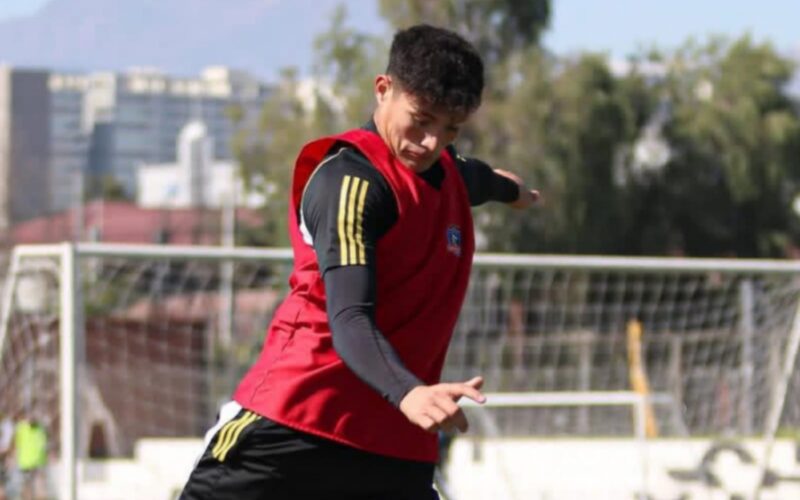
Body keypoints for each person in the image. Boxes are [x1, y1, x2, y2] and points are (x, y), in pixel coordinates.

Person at [180, 23, 539, 500]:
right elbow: (349, 317)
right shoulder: (351, 183)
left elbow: (476, 176)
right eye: (421, 118)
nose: (431, 142)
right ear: (383, 89)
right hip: (294, 426)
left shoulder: (446, 171)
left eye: (450, 128)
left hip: (393, 445)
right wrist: (410, 392)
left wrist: (513, 192)